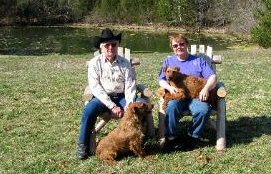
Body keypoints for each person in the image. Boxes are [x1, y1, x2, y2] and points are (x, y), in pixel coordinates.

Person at [77, 28, 148, 159]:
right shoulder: (94, 63)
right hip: (103, 98)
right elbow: (95, 87)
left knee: (143, 104)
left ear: (117, 45)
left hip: (122, 97)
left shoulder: (125, 63)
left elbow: (130, 85)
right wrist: (112, 106)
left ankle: (143, 138)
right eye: (106, 45)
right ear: (101, 47)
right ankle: (83, 144)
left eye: (113, 44)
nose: (110, 47)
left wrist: (130, 104)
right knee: (89, 109)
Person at [158, 33, 217, 151]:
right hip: (177, 94)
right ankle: (171, 138)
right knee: (171, 107)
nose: (179, 47)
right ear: (172, 48)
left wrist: (205, 89)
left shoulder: (199, 61)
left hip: (196, 96)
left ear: (186, 45)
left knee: (203, 110)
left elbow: (212, 77)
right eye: (175, 46)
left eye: (181, 44)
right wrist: (170, 88)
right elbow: (161, 80)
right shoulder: (168, 61)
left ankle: (192, 137)